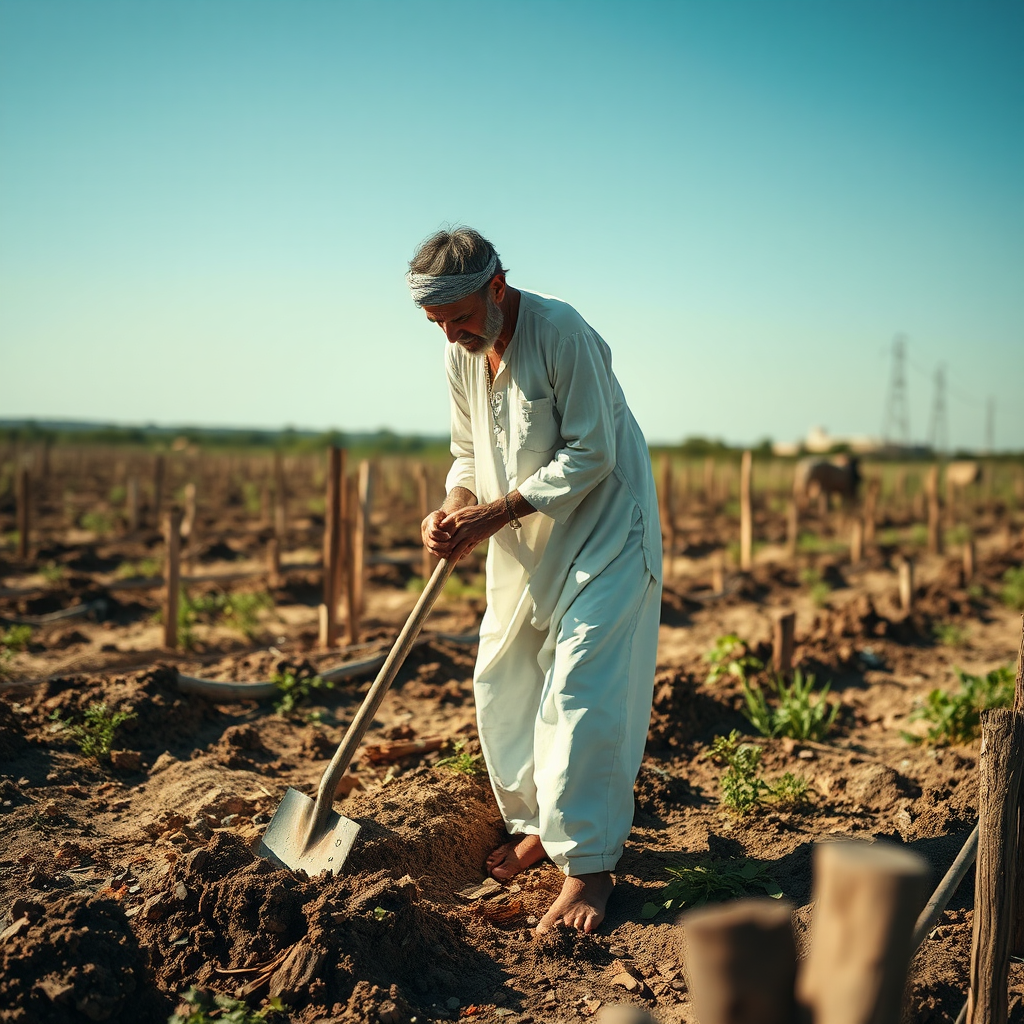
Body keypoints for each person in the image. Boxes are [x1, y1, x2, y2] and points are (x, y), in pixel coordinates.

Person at [407, 227, 662, 934]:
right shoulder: (460, 354)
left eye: (458, 317)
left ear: (496, 286)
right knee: (503, 676)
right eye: (437, 323)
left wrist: (493, 513)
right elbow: (467, 450)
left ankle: (589, 868)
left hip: (605, 527)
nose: (451, 334)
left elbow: (591, 453)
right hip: (521, 536)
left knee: (583, 685)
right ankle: (541, 826)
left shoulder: (560, 331)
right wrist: (455, 510)